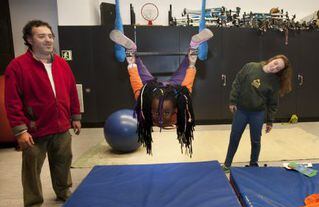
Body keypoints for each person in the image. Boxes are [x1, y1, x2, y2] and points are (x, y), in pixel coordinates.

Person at [5, 20, 81, 207]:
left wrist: (75, 116)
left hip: (61, 126)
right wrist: (20, 131)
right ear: (29, 40)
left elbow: (72, 91)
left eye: (50, 36)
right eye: (41, 36)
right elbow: (12, 102)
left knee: (63, 162)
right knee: (31, 170)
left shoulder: (62, 64)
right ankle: (33, 206)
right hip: (34, 130)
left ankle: (63, 191)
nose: (48, 40)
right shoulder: (17, 66)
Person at [121, 28, 213, 156]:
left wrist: (131, 64)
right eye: (156, 111)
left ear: (173, 109)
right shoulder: (179, 102)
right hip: (171, 88)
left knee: (141, 73)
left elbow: (137, 87)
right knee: (185, 69)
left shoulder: (146, 103)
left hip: (155, 89)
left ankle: (132, 51)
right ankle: (193, 46)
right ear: (176, 109)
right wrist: (192, 64)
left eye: (164, 112)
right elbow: (187, 86)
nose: (159, 115)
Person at [222, 55, 292, 172]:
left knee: (255, 141)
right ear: (272, 59)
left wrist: (270, 121)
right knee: (234, 137)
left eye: (278, 68)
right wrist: (232, 101)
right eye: (275, 63)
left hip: (257, 114)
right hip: (241, 111)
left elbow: (273, 103)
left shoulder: (274, 82)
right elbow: (237, 83)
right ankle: (227, 164)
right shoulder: (251, 67)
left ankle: (253, 165)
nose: (274, 67)